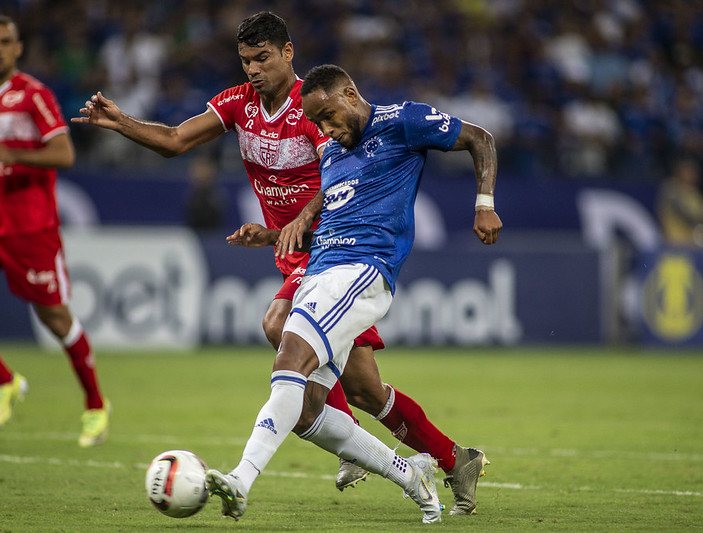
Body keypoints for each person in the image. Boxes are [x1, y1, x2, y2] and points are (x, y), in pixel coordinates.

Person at [73, 11, 473, 496]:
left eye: (262, 58)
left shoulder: (316, 108)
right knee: (366, 388)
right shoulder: (239, 104)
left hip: (334, 246)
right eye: (245, 61)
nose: (253, 70)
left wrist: (303, 217)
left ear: (287, 53)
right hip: (292, 251)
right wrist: (121, 123)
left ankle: (344, 450)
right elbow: (176, 140)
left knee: (276, 324)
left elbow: (348, 173)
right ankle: (452, 459)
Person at [205, 63, 500, 522]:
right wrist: (280, 231)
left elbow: (480, 138)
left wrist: (484, 205)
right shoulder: (332, 154)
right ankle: (418, 472)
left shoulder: (402, 121)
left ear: (349, 93)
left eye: (328, 117)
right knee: (310, 411)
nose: (324, 130)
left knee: (286, 351)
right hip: (322, 268)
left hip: (361, 270)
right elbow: (333, 209)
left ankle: (241, 480)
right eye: (317, 122)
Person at [0, 15, 110, 448]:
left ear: (18, 49)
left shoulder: (34, 96)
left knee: (56, 319)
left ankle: (96, 405)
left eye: (4, 42)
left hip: (32, 227)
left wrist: (13, 153)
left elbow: (64, 153)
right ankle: (4, 380)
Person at [656, 156, 703, 247]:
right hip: (675, 242)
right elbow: (683, 213)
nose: (693, 175)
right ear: (680, 172)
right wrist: (698, 219)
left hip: (692, 243)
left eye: (694, 172)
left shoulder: (695, 193)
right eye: (689, 171)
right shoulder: (671, 188)